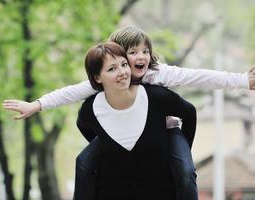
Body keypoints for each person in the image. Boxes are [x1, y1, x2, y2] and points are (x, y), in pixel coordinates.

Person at [3, 26, 255, 200]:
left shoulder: (157, 75)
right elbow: (70, 93)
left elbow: (198, 76)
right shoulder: (107, 79)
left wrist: (242, 80)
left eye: (145, 51)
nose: (140, 57)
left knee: (185, 172)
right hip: (120, 132)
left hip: (166, 132)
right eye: (132, 52)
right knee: (83, 162)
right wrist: (36, 105)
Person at [77, 41, 196, 199]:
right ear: (98, 77)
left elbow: (189, 112)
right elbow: (82, 124)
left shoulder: (157, 96)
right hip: (116, 191)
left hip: (163, 190)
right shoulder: (90, 108)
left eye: (124, 64)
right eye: (112, 69)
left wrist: (180, 148)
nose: (122, 72)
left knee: (185, 172)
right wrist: (108, 142)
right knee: (82, 163)